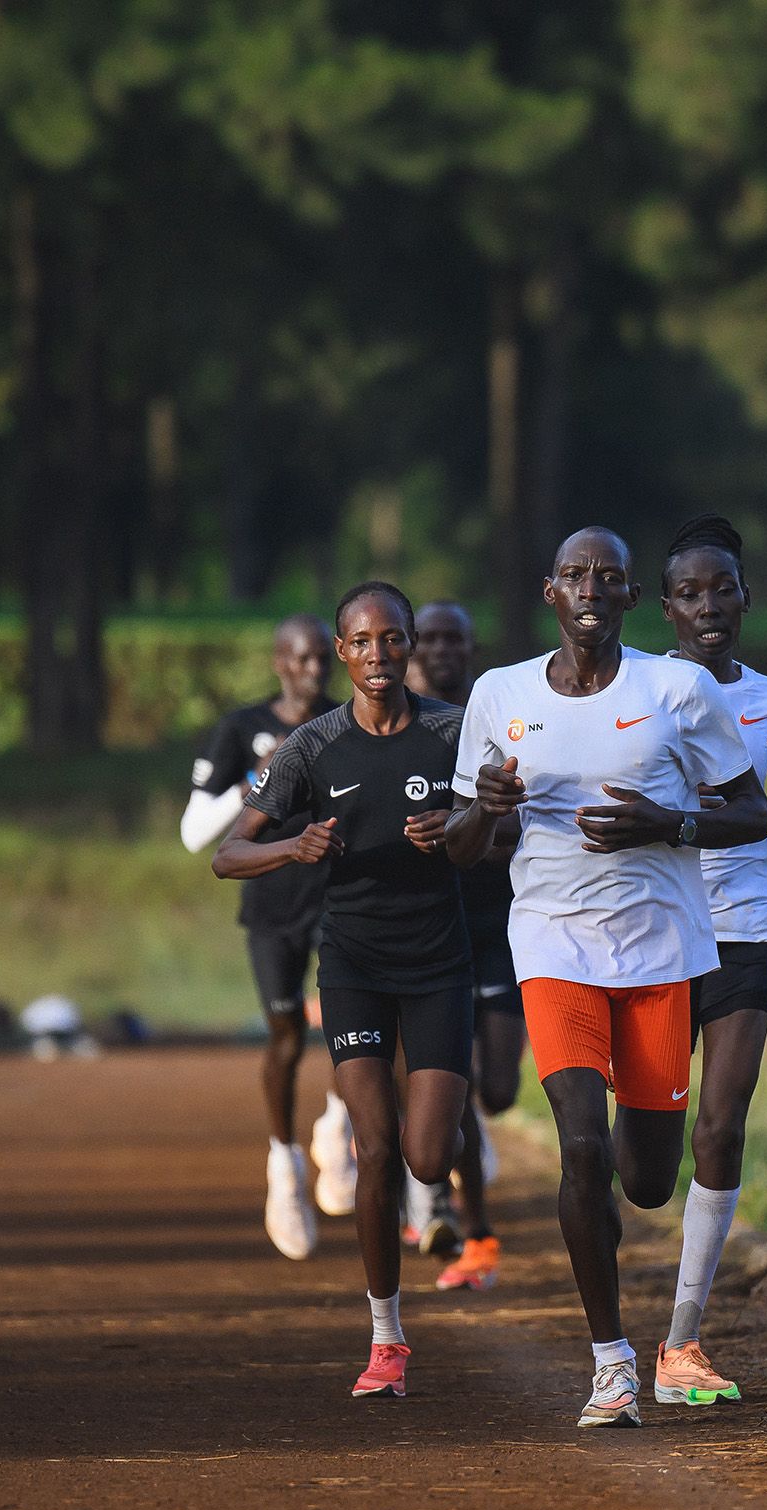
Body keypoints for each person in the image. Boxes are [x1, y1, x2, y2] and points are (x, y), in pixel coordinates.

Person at [446, 527, 767, 1427]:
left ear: (632, 598)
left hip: (664, 950)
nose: (592, 587)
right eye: (576, 574)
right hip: (552, 944)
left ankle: (629, 1303)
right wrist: (484, 807)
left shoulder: (678, 689)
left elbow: (750, 813)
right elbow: (463, 845)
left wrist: (666, 825)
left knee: (646, 1178)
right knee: (580, 1146)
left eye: (610, 577)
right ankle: (612, 1361)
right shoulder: (498, 695)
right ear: (550, 590)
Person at [216, 582, 472, 1399]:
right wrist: (294, 845)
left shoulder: (452, 731)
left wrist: (458, 831)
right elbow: (228, 853)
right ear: (341, 653)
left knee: (428, 1155)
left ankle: (445, 1198)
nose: (377, 656)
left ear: (411, 647)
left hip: (439, 964)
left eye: (391, 640)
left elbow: (503, 830)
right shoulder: (311, 746)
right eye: (360, 643)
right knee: (377, 1147)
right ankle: (386, 1336)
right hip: (355, 966)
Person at [655, 513, 767, 1406]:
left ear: (746, 597)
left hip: (744, 926)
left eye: (723, 588)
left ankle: (682, 1340)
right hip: (651, 931)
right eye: (690, 592)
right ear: (667, 607)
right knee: (644, 1160)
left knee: (719, 1126)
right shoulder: (637, 694)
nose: (709, 606)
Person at [181, 614, 339, 1260]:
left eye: (320, 659)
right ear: (278, 661)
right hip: (272, 909)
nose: (312, 671)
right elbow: (195, 834)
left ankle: (338, 1124)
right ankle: (284, 1167)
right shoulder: (241, 729)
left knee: (355, 1020)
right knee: (285, 1038)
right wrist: (260, 777)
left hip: (336, 900)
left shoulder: (343, 722)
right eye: (299, 660)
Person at [407, 600, 522, 1291]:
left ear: (473, 648)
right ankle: (470, 1229)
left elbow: (523, 820)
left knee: (499, 1090)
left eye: (458, 637)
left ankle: (452, 1164)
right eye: (432, 639)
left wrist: (471, 834)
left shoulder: (499, 723)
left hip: (502, 925)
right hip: (430, 929)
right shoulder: (402, 729)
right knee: (461, 1086)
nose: (445, 650)